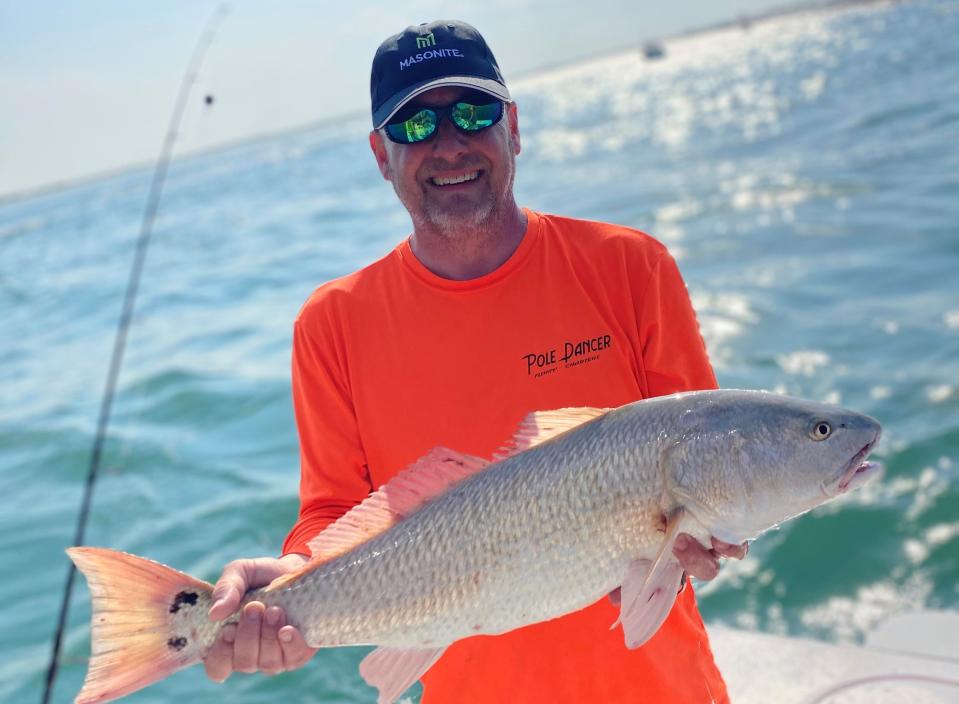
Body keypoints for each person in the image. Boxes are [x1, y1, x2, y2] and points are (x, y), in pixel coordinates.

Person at [202, 19, 746, 702]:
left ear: (512, 127)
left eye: (472, 112)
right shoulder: (330, 324)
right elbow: (331, 513)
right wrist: (286, 591)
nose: (449, 142)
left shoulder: (630, 266)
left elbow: (704, 466)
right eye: (414, 126)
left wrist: (707, 541)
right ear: (380, 154)